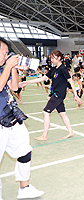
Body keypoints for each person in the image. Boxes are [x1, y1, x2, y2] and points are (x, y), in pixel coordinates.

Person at [0, 37, 44, 199]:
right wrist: (9, 65)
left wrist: (13, 68)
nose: (6, 56)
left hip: (10, 117)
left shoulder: (3, 68)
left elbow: (14, 86)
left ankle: (24, 188)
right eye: (4, 53)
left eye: (7, 53)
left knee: (25, 151)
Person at [19, 50, 83, 140]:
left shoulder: (63, 69)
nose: (52, 59)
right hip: (55, 93)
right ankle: (70, 131)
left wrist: (76, 95)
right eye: (51, 58)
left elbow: (71, 81)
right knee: (62, 113)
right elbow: (43, 78)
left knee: (45, 112)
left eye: (54, 58)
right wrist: (27, 82)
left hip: (58, 94)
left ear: (59, 58)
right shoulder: (53, 69)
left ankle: (44, 136)